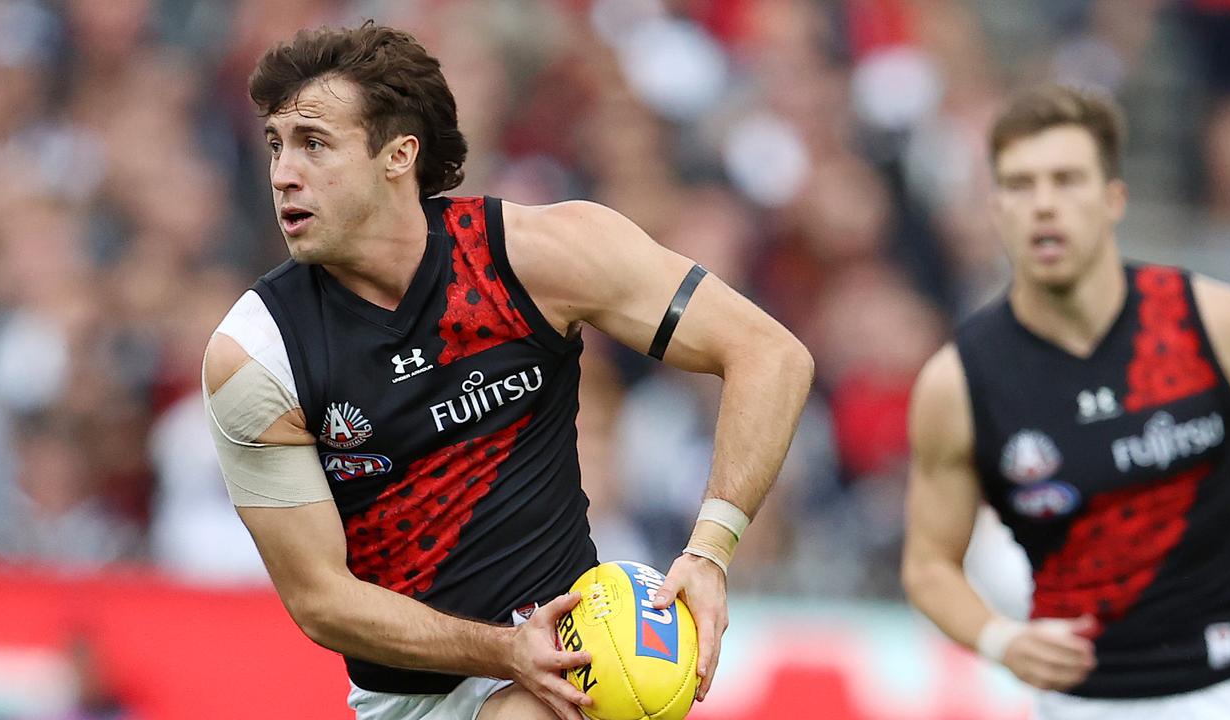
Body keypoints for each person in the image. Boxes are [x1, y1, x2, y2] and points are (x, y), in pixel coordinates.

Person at [201, 22, 813, 720]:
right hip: (413, 700)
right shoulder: (257, 353)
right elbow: (320, 600)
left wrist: (709, 554)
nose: (283, 171)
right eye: (276, 145)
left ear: (398, 156)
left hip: (576, 667)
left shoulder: (534, 256)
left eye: (314, 143)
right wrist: (505, 649)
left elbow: (770, 354)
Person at [902, 83, 1230, 719]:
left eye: (1067, 180)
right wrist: (1000, 639)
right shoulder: (959, 383)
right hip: (1086, 704)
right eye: (1020, 184)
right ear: (996, 208)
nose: (1044, 205)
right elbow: (929, 566)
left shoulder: (1214, 322)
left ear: (1113, 198)